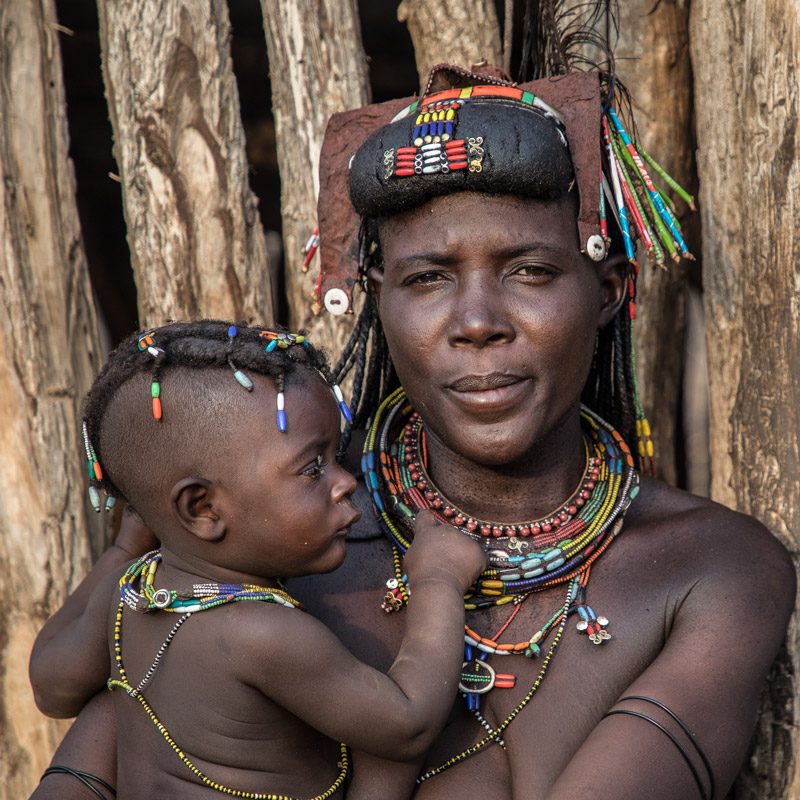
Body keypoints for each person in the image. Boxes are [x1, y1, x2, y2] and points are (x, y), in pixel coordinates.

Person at [31, 22, 795, 800]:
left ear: (607, 291)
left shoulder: (713, 570)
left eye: (529, 271)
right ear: (379, 303)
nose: (476, 321)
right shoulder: (269, 542)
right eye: (428, 279)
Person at [29, 320, 486, 800]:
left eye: (337, 457)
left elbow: (53, 686)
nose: (345, 481)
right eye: (313, 468)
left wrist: (124, 548)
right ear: (202, 510)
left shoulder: (134, 593)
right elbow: (408, 723)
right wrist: (439, 580)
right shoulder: (267, 635)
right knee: (390, 765)